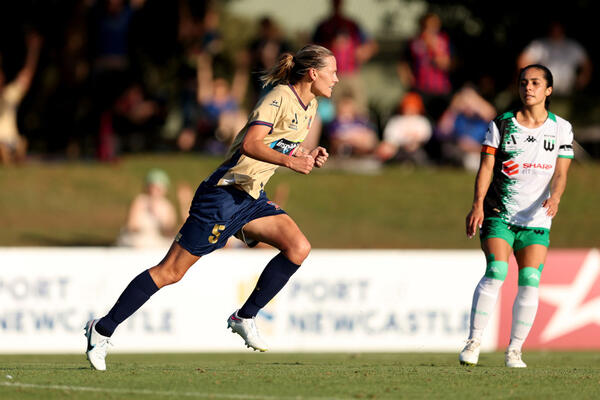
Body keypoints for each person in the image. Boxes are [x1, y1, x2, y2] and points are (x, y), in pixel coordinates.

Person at [84, 44, 337, 370]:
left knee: (298, 247)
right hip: (223, 196)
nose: (337, 77)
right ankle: (102, 329)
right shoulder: (279, 97)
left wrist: (305, 153)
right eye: (332, 71)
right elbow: (251, 143)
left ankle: (244, 317)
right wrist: (290, 161)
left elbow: (279, 140)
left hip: (251, 197)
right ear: (313, 73)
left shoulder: (311, 104)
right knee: (170, 272)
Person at [459, 65, 574, 368]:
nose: (529, 88)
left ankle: (515, 350)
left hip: (537, 218)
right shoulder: (502, 124)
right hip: (500, 212)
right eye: (524, 83)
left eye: (536, 83)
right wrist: (477, 204)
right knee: (497, 271)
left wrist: (557, 197)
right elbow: (485, 168)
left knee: (530, 280)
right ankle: (474, 342)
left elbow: (561, 173)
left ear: (548, 90)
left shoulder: (561, 128)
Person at [517, 21, 591, 119]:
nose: (556, 30)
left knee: (563, 119)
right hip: (543, 92)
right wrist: (530, 80)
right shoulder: (540, 45)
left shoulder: (572, 46)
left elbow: (586, 64)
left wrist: (583, 79)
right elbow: (523, 61)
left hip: (566, 92)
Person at [398, 12, 452, 123]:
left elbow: (446, 64)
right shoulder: (414, 42)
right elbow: (403, 62)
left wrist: (434, 48)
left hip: (441, 89)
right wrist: (407, 78)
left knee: (442, 119)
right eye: (428, 25)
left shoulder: (444, 41)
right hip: (420, 88)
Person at [0, 31, 42, 166]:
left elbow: (27, 75)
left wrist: (33, 50)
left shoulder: (10, 94)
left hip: (10, 141)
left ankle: (12, 153)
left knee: (14, 145)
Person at [116, 169, 179, 249]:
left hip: (158, 240)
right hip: (138, 240)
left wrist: (159, 217)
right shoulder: (139, 201)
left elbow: (169, 229)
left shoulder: (167, 206)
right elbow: (131, 225)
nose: (155, 191)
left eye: (158, 188)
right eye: (153, 187)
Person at [375, 92, 431, 164]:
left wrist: (413, 141)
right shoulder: (396, 121)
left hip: (417, 148)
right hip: (398, 149)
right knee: (385, 148)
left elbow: (425, 135)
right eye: (408, 107)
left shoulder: (421, 121)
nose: (410, 110)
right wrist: (402, 142)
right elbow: (390, 137)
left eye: (413, 107)